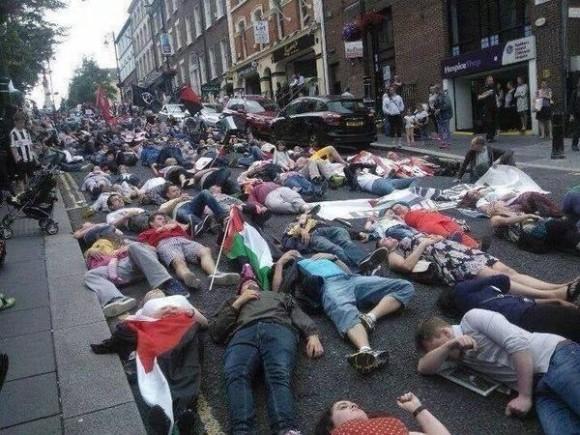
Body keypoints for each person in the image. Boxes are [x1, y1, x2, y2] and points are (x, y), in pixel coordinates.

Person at [415, 309, 580, 435]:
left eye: (438, 347)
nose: (445, 357)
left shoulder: (472, 319)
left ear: (445, 332)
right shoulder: (455, 356)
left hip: (555, 357)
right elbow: (423, 367)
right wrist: (448, 346)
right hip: (540, 390)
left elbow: (518, 344)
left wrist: (524, 396)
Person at [209, 275, 324, 435]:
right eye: (245, 283)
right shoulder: (232, 301)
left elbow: (297, 313)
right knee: (235, 374)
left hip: (278, 328)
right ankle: (242, 431)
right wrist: (239, 302)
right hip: (243, 333)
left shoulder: (278, 296)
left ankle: (286, 429)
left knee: (278, 374)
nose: (250, 281)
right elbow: (216, 332)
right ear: (239, 290)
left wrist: (312, 334)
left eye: (253, 281)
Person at [274, 251, 415, 373]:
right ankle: (366, 351)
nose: (293, 251)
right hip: (329, 285)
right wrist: (280, 264)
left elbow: (348, 271)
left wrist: (333, 257)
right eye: (289, 252)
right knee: (344, 310)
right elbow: (277, 292)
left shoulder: (319, 257)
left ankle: (370, 317)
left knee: (405, 286)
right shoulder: (296, 265)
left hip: (351, 279)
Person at [377, 231, 577, 301]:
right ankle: (551, 296)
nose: (387, 238)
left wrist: (433, 238)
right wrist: (424, 243)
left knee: (509, 271)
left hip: (458, 251)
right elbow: (406, 266)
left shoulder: (404, 239)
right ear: (382, 249)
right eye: (383, 240)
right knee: (501, 279)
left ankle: (557, 287)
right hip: (451, 262)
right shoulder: (393, 255)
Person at [438, 275, 580, 342]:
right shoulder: (461, 292)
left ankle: (557, 293)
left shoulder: (483, 301)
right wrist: (477, 279)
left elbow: (523, 301)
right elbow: (502, 279)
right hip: (525, 315)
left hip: (527, 319)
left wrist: (554, 301)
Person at [84, 241, 190, 317]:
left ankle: (168, 282)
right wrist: (90, 251)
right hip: (119, 267)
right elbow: (88, 258)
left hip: (139, 260)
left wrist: (128, 247)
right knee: (90, 275)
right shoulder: (97, 249)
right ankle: (117, 299)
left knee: (133, 246)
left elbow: (153, 249)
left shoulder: (126, 239)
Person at [137, 212, 240, 288]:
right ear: (151, 223)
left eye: (164, 219)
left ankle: (216, 274)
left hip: (183, 240)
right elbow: (146, 248)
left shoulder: (174, 227)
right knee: (178, 261)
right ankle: (187, 276)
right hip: (165, 243)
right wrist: (158, 232)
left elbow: (188, 237)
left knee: (205, 250)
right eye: (159, 219)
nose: (163, 221)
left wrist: (175, 226)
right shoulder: (146, 233)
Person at [314, 392, 451, 435]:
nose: (353, 405)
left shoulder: (395, 428)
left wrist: (417, 409)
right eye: (343, 407)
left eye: (353, 404)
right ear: (330, 428)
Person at [390, 203, 481, 249]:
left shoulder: (414, 211)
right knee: (452, 235)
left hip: (432, 222)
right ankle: (472, 247)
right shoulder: (404, 217)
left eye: (399, 206)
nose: (398, 208)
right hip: (429, 224)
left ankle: (473, 247)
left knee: (455, 233)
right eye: (396, 209)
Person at [489, 211, 580, 255]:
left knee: (566, 227)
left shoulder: (508, 213)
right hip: (529, 234)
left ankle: (576, 244)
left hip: (535, 230)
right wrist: (528, 215)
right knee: (556, 225)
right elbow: (507, 221)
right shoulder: (494, 218)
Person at [9, 111, 37, 192]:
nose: (22, 124)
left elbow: (30, 144)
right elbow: (13, 147)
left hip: (29, 158)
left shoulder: (26, 131)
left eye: (23, 122)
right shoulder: (13, 133)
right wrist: (17, 159)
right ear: (15, 122)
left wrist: (33, 154)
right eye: (20, 123)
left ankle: (29, 190)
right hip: (21, 159)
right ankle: (23, 193)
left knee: (30, 175)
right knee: (21, 178)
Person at [477, 76, 497, 142]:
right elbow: (479, 97)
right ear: (487, 81)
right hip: (487, 108)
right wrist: (487, 94)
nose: (492, 82)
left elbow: (496, 97)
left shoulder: (493, 88)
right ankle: (489, 137)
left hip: (494, 108)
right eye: (490, 80)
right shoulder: (484, 88)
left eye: (492, 80)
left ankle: (492, 137)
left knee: (494, 123)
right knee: (489, 122)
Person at [569, 76, 580, 152]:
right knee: (577, 130)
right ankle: (574, 145)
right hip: (577, 114)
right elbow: (571, 104)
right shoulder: (575, 92)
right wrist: (571, 115)